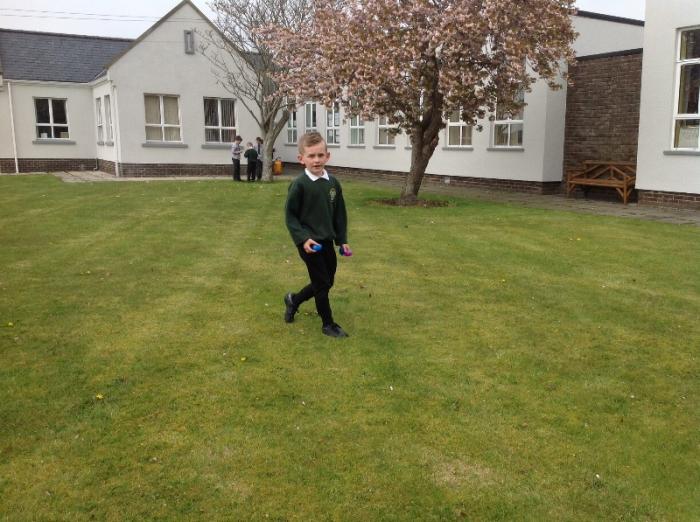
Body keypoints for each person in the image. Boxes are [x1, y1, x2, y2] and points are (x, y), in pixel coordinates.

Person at [283, 131, 351, 338]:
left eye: (320, 155)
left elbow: (339, 214)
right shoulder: (299, 185)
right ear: (301, 158)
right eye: (311, 156)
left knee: (327, 281)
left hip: (326, 240)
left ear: (327, 156)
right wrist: (303, 239)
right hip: (309, 243)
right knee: (322, 283)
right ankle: (328, 324)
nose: (316, 160)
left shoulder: (333, 184)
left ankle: (294, 300)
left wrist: (342, 240)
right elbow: (290, 216)